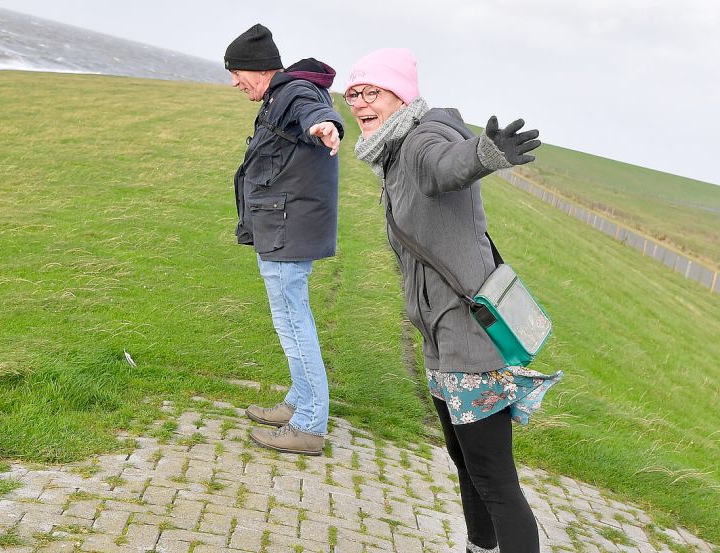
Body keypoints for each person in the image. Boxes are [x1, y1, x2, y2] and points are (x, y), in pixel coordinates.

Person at [344, 48, 562, 553]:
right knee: (468, 467)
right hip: (442, 335)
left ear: (403, 94)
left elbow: (443, 169)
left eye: (371, 91)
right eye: (354, 93)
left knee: (495, 481)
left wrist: (484, 154)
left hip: (468, 334)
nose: (359, 103)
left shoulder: (424, 137)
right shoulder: (391, 149)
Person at [224, 24, 344, 456]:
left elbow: (314, 112)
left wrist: (325, 126)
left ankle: (310, 425)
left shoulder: (293, 93)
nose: (234, 82)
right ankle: (298, 403)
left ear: (257, 70)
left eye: (237, 72)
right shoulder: (279, 93)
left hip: (288, 228)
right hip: (282, 225)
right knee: (292, 320)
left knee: (294, 323)